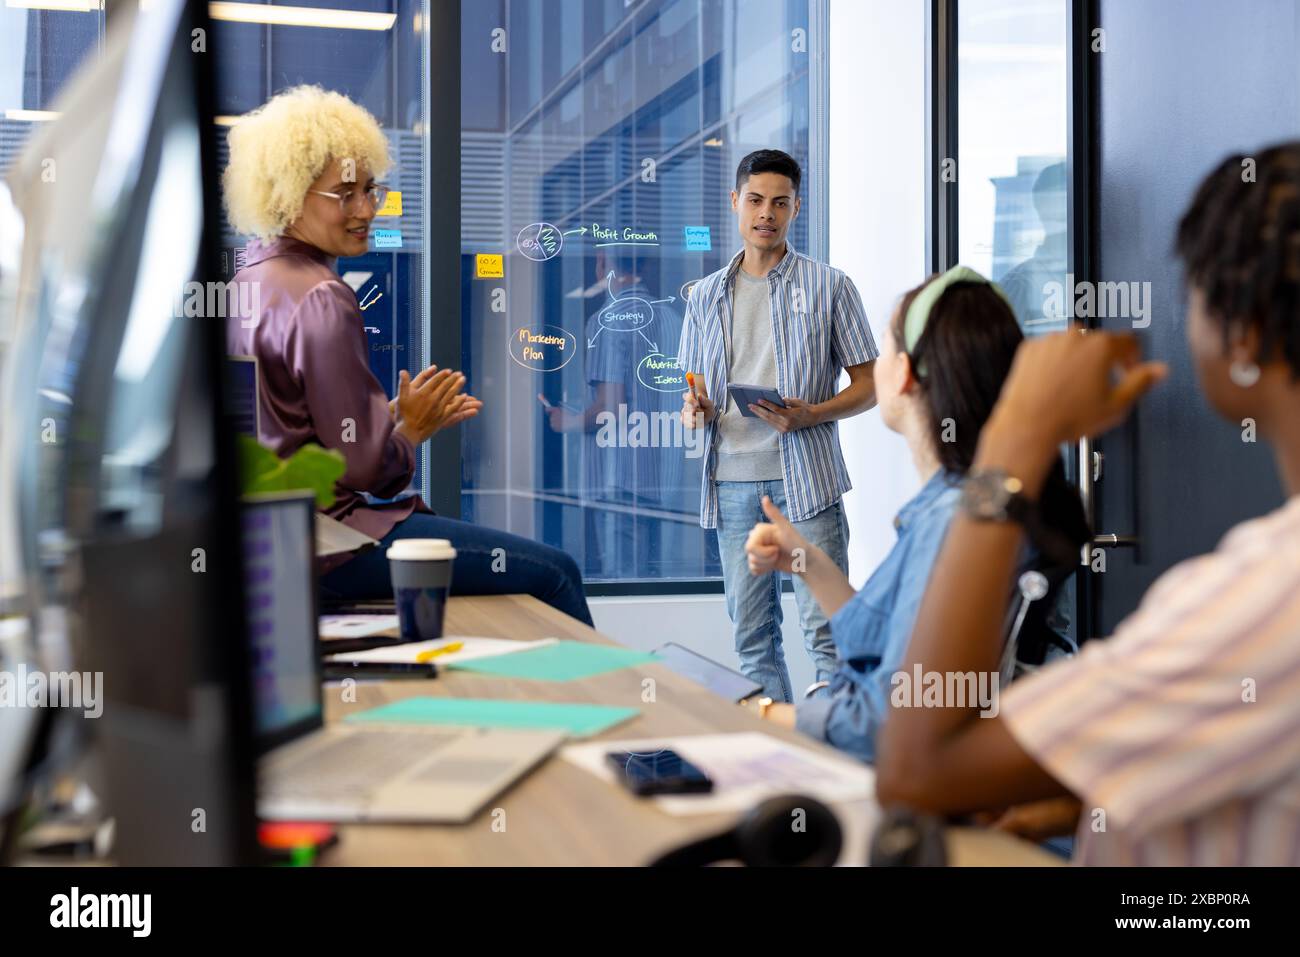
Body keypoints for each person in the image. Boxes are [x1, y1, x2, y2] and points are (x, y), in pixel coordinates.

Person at [876, 143, 1300, 865]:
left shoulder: (1266, 598)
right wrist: (1092, 791)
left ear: (1244, 333)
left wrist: (1016, 436)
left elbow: (918, 767)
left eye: (1188, 292)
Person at [222, 85, 592, 625]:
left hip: (272, 545)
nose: (367, 209)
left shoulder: (246, 283)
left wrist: (387, 417)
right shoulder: (323, 295)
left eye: (371, 190)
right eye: (345, 194)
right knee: (556, 572)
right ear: (290, 192)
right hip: (332, 545)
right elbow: (368, 469)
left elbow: (293, 428)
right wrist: (410, 431)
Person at [743, 268, 1087, 762]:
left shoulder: (956, 519)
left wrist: (760, 712)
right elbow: (875, 640)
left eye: (882, 351)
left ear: (903, 373)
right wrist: (807, 561)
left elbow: (881, 723)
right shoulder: (961, 503)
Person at [678, 149, 879, 702]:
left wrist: (812, 413)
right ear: (735, 202)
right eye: (756, 200)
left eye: (780, 203)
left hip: (806, 483)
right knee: (752, 640)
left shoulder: (830, 286)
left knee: (827, 633)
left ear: (796, 209)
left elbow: (872, 383)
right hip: (732, 483)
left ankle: (837, 757)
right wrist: (694, 409)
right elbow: (693, 394)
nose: (767, 213)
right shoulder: (704, 296)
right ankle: (785, 757)